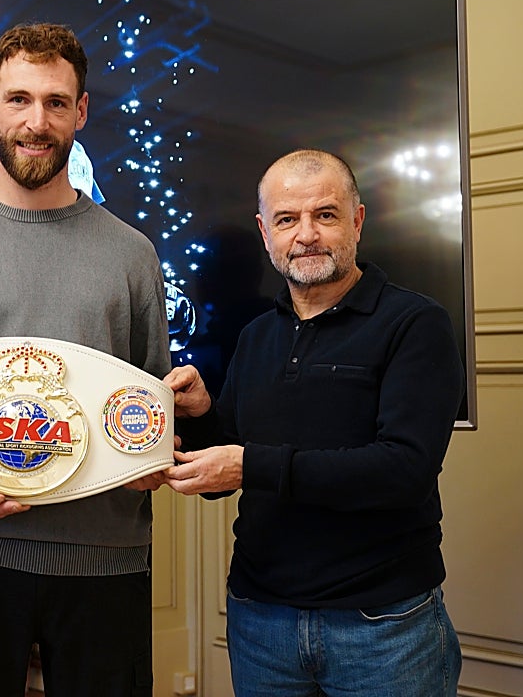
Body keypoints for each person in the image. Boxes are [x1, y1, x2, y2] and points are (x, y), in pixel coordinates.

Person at [0, 22, 210, 697]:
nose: (37, 121)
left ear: (81, 112)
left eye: (56, 102)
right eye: (20, 99)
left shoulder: (132, 254)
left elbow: (145, 413)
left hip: (105, 566)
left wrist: (154, 457)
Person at [166, 149, 464, 696]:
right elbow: (227, 470)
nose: (306, 234)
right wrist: (205, 414)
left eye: (324, 215)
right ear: (265, 232)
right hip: (261, 621)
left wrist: (250, 464)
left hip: (383, 627)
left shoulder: (416, 323)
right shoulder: (255, 335)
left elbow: (404, 470)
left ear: (356, 221)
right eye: (287, 219)